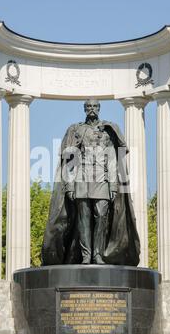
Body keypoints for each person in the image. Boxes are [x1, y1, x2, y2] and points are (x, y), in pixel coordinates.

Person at [41, 99, 140, 266]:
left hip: (102, 179)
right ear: (84, 109)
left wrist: (114, 185)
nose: (91, 109)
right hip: (81, 180)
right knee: (83, 219)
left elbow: (113, 160)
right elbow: (70, 159)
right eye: (88, 107)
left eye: (94, 106)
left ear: (99, 108)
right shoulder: (77, 130)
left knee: (102, 217)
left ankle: (98, 255)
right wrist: (70, 185)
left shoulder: (108, 131)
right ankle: (87, 256)